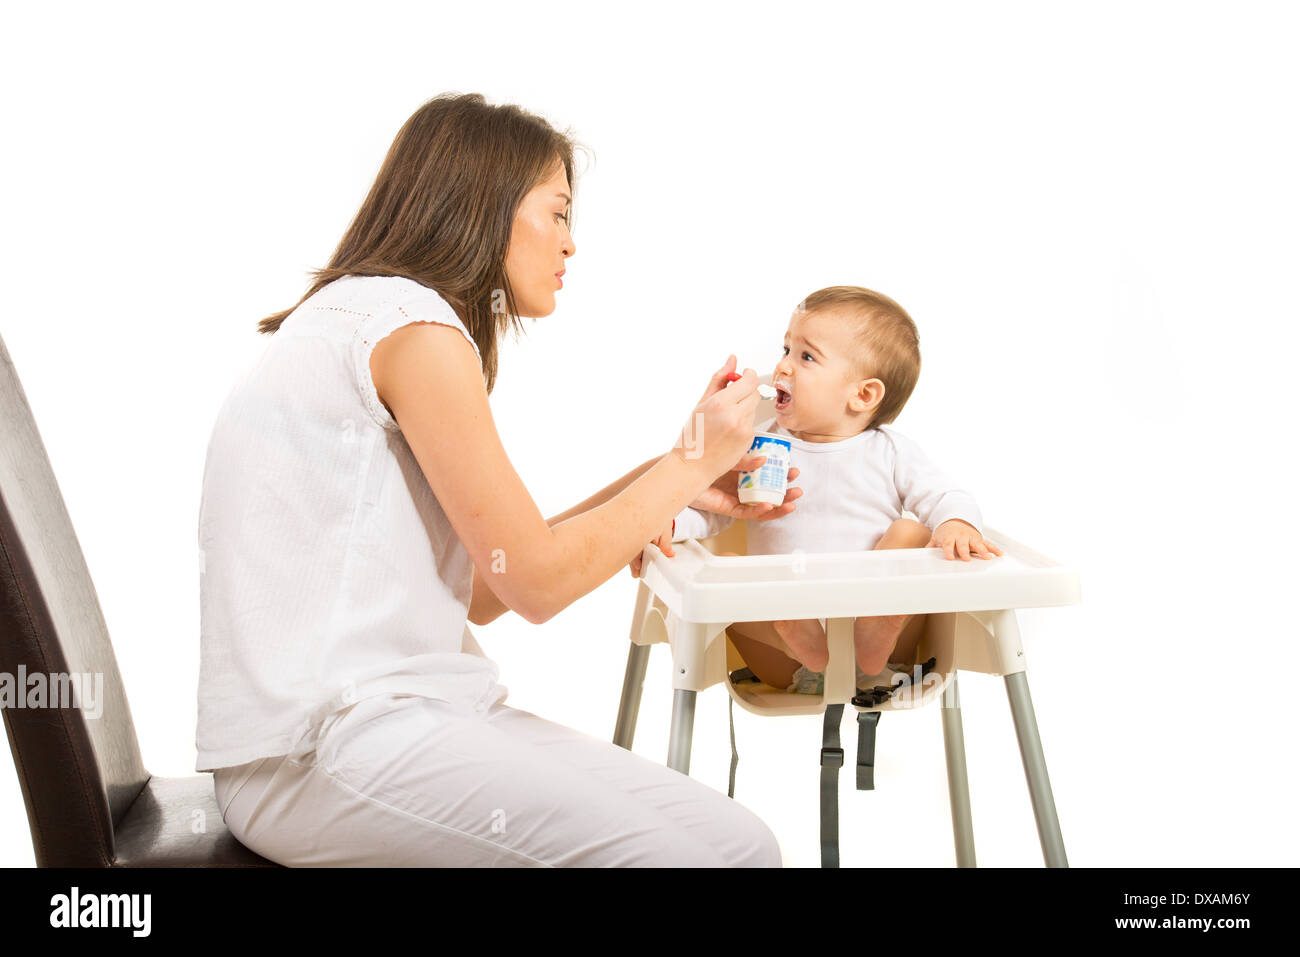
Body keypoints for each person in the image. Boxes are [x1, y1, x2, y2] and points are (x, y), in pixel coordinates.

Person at [195, 92, 800, 866]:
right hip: (320, 748)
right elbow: (535, 584)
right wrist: (692, 462)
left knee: (742, 844)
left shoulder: (379, 318)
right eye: (556, 212)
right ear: (482, 203)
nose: (571, 244)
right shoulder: (409, 328)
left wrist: (676, 470)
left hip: (402, 718)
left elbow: (486, 584)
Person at [664, 286, 1003, 695]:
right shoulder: (762, 447)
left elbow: (946, 495)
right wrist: (668, 521)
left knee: (912, 532)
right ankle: (798, 631)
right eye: (786, 349)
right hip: (784, 658)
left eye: (805, 356)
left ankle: (875, 624)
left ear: (863, 395)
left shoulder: (891, 452)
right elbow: (714, 509)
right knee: (727, 571)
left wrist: (957, 523)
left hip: (886, 656)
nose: (783, 367)